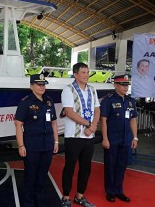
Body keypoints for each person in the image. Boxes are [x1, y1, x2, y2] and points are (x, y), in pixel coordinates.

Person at [14, 74, 59, 207]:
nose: (42, 87)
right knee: (30, 177)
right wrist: (21, 145)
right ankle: (28, 203)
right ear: (31, 86)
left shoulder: (49, 101)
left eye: (43, 84)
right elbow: (18, 125)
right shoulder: (25, 102)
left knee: (42, 177)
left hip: (47, 146)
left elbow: (54, 123)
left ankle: (39, 202)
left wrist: (56, 141)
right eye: (39, 84)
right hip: (32, 147)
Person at [60, 63, 100, 207]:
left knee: (86, 167)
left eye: (87, 72)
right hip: (74, 136)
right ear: (76, 74)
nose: (86, 75)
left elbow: (97, 110)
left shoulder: (92, 89)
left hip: (89, 136)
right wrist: (89, 125)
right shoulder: (68, 90)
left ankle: (80, 196)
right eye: (83, 72)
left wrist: (94, 126)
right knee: (70, 167)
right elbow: (69, 112)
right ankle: (65, 197)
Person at [100, 74, 138, 203]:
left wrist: (135, 137)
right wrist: (104, 138)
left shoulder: (130, 101)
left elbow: (133, 119)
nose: (125, 87)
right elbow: (103, 120)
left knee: (122, 166)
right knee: (110, 166)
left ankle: (118, 190)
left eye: (127, 85)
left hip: (126, 140)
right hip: (112, 140)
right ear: (115, 85)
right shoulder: (108, 100)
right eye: (122, 85)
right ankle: (110, 191)